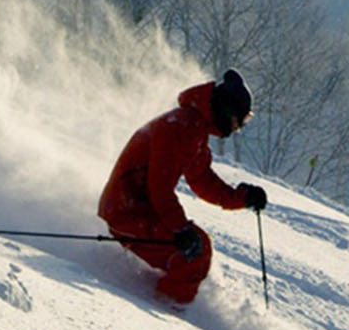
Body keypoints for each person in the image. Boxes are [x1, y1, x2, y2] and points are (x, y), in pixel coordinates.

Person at [98, 69, 268, 307]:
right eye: (238, 121)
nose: (236, 128)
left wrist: (242, 198)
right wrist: (180, 230)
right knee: (195, 253)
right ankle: (165, 312)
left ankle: (166, 300)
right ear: (226, 109)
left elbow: (202, 180)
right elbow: (159, 187)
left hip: (135, 208)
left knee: (197, 247)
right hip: (127, 211)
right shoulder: (181, 126)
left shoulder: (193, 126)